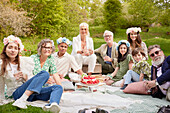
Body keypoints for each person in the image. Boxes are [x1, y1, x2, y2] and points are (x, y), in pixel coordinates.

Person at [0, 36, 63, 113]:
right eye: (10, 47)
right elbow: (1, 84)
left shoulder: (23, 62)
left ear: (18, 51)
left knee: (58, 87)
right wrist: (13, 77)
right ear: (5, 49)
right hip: (17, 93)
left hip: (31, 94)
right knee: (45, 73)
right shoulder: (1, 64)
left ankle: (53, 105)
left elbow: (30, 79)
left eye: (15, 48)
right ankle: (21, 100)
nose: (13, 50)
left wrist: (25, 76)